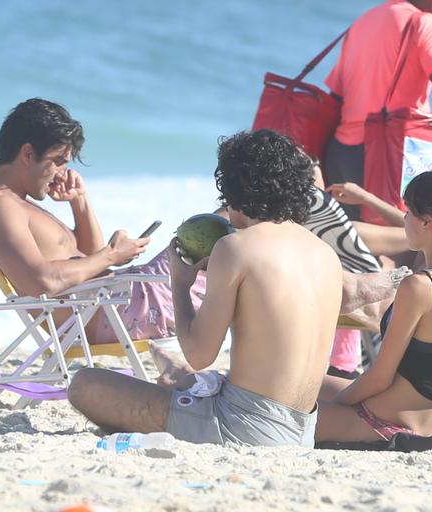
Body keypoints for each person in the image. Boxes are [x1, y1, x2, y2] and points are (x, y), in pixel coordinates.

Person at [0, 98, 402, 344]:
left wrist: (81, 206)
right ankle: (363, 280)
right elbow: (41, 283)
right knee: (261, 203)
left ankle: (359, 284)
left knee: (257, 209)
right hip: (118, 309)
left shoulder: (19, 204)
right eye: (56, 161)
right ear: (26, 153)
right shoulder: (0, 205)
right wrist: (111, 254)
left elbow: (82, 260)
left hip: (119, 300)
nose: (61, 172)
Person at [69, 129, 343, 447]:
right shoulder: (325, 254)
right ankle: (173, 377)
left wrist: (180, 284)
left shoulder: (236, 247)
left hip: (242, 427)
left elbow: (199, 354)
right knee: (192, 383)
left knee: (85, 384)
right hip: (303, 430)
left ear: (233, 190)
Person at [315, 167, 432, 442]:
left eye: (409, 212)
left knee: (282, 406)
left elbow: (380, 378)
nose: (403, 218)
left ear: (427, 223)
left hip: (384, 423)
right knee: (307, 381)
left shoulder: (421, 287)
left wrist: (340, 404)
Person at [323, 0, 432, 220]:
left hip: (342, 153)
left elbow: (337, 95)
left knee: (351, 244)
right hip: (390, 155)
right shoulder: (428, 24)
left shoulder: (363, 21)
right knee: (405, 243)